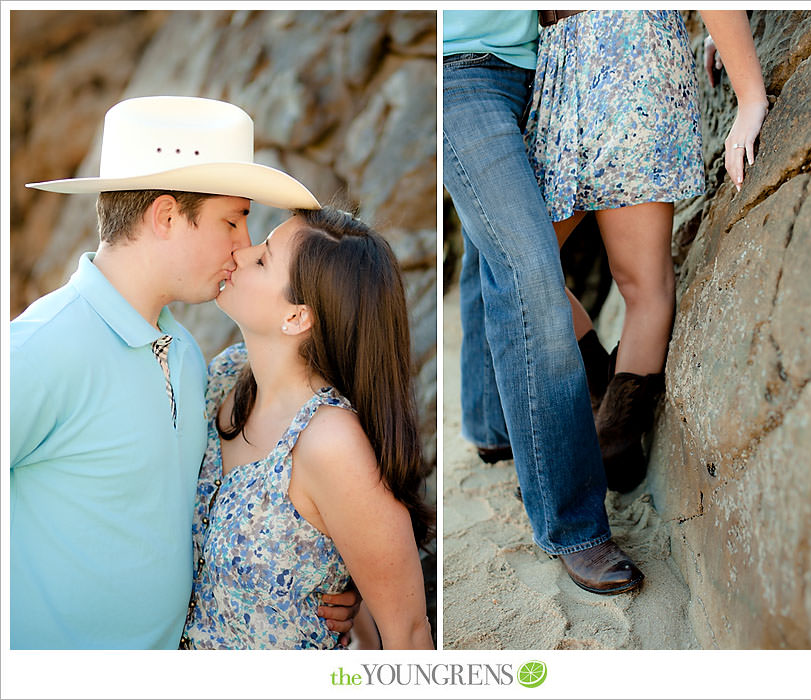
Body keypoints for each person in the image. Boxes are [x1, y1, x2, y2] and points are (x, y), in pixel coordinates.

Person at [10, 95, 360, 649]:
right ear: (167, 216)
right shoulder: (43, 349)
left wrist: (316, 579)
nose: (243, 246)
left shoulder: (189, 357)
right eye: (233, 219)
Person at [523, 10, 768, 492]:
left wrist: (750, 95)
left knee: (641, 280)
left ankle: (614, 437)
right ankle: (600, 387)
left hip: (631, 50)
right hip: (555, 66)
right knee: (520, 271)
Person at [443, 10, 644, 596]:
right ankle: (575, 526)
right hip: (457, 72)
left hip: (550, 60)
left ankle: (488, 422)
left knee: (493, 243)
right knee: (529, 269)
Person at [180, 207, 434, 650]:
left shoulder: (330, 444)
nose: (241, 252)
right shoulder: (224, 377)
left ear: (298, 317)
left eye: (262, 259)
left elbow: (408, 635)